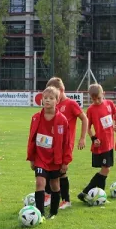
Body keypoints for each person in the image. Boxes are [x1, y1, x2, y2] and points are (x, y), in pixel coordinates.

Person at [26, 86, 71, 219]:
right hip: (40, 158)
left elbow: (67, 143)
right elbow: (31, 139)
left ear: (57, 100)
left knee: (54, 185)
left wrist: (65, 161)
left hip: (55, 159)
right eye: (45, 98)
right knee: (40, 183)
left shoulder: (62, 120)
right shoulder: (35, 118)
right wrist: (32, 158)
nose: (47, 101)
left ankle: (53, 212)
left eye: (51, 98)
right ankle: (39, 214)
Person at [45, 77, 88, 210]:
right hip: (52, 144)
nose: (51, 97)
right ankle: (50, 195)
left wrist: (82, 138)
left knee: (61, 172)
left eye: (54, 94)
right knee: (49, 169)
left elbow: (84, 118)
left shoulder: (71, 104)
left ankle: (66, 199)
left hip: (65, 145)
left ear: (61, 90)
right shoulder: (54, 104)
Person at [78, 84, 116, 202]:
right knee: (106, 169)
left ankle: (99, 195)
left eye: (99, 98)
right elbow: (88, 128)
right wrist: (94, 138)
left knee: (106, 169)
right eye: (94, 99)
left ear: (103, 94)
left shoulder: (110, 104)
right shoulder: (91, 110)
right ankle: (86, 191)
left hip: (109, 144)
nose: (97, 101)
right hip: (101, 145)